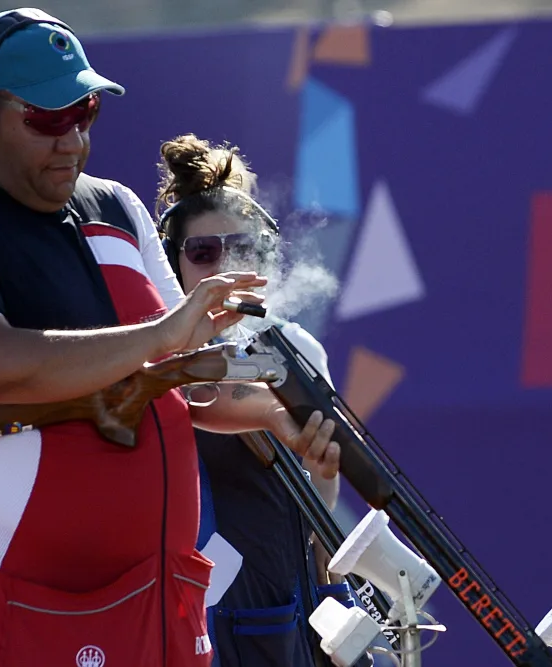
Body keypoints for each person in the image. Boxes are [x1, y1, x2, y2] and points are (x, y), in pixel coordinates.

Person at [0, 8, 342, 667]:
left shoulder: (116, 207)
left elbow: (180, 379)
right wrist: (166, 333)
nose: (73, 139)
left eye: (84, 112)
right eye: (48, 119)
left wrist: (274, 418)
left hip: (155, 600)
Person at [155, 134, 360, 667]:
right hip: (190, 611)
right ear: (174, 263)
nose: (222, 267)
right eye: (203, 252)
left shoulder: (296, 347)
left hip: (282, 603)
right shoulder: (153, 352)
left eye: (240, 247)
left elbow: (321, 504)